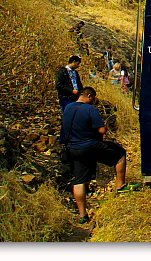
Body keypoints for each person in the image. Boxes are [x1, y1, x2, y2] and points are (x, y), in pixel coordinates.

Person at [60, 86, 129, 223]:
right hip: (90, 146)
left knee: (79, 180)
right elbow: (102, 130)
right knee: (120, 153)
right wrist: (105, 125)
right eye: (94, 98)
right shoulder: (90, 109)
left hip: (73, 148)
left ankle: (82, 216)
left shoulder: (67, 108)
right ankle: (121, 186)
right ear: (89, 96)